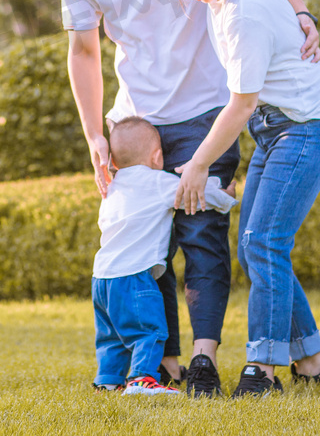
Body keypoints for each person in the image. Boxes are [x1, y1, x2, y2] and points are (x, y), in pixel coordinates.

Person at [56, 0, 320, 396]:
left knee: (203, 238)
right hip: (134, 120)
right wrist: (94, 135)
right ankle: (164, 363)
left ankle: (204, 360)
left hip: (206, 108)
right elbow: (83, 51)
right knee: (144, 244)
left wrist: (302, 14)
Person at [147, 0, 320, 399]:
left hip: (307, 128)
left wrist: (197, 166)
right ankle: (313, 363)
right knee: (258, 243)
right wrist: (302, 12)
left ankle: (262, 369)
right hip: (279, 127)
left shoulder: (245, 14)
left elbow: (239, 106)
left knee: (263, 242)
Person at [92, 117, 237, 396]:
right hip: (135, 276)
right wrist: (225, 194)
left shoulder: (111, 187)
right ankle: (142, 380)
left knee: (111, 337)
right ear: (158, 156)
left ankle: (108, 381)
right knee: (150, 331)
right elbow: (193, 192)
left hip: (101, 278)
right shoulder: (157, 181)